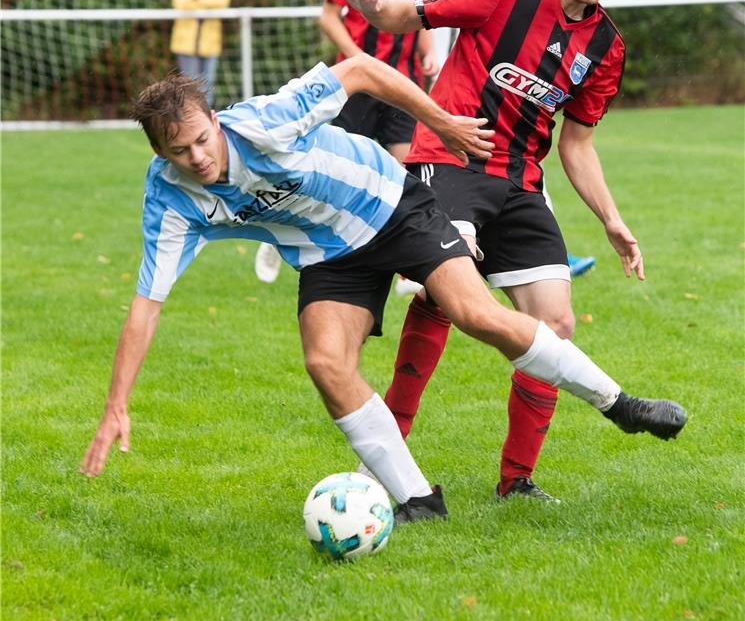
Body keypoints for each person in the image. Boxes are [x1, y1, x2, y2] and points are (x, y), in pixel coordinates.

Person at [80, 51, 686, 527]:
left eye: (202, 141)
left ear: (216, 122)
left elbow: (363, 70)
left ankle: (620, 405)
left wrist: (441, 123)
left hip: (392, 204)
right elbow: (145, 305)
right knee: (325, 361)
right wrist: (115, 406)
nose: (197, 158)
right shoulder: (168, 197)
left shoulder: (268, 121)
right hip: (329, 251)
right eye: (178, 152)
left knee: (475, 314)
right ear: (158, 154)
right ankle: (419, 500)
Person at [326, 0, 652, 504]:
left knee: (556, 322)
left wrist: (611, 219)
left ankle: (517, 483)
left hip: (521, 182)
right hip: (449, 158)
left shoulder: (605, 45)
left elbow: (577, 145)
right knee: (451, 292)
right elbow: (416, 14)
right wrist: (374, 9)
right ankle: (388, 457)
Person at [254, 0, 443, 292]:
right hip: (354, 87)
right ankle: (280, 231)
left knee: (402, 173)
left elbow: (426, 16)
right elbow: (328, 16)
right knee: (324, 170)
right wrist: (359, 62)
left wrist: (429, 51)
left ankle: (405, 268)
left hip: (402, 85)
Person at [436, 0, 596, 280]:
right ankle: (435, 250)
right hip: (473, 85)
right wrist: (436, 63)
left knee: (523, 165)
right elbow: (442, 9)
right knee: (460, 167)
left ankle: (545, 250)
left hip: (522, 87)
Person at [170, 0, 231, 108]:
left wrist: (199, 0)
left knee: (208, 82)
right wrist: (208, 4)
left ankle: (206, 115)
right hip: (186, 41)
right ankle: (191, 115)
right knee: (190, 82)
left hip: (210, 41)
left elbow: (223, 2)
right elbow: (182, 2)